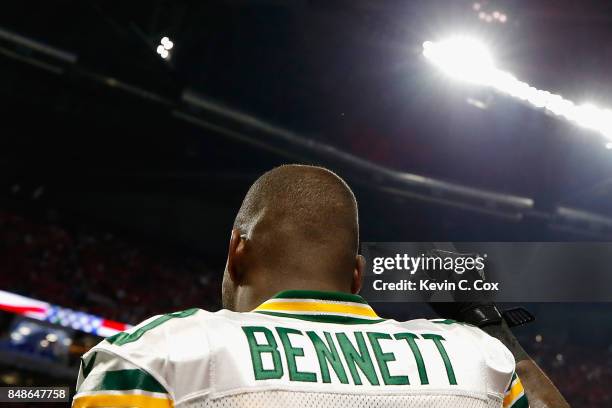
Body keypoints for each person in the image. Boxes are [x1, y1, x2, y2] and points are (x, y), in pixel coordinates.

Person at [72, 164, 568, 408]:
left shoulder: (154, 356)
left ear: (236, 252)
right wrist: (501, 339)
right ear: (357, 277)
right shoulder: (476, 362)